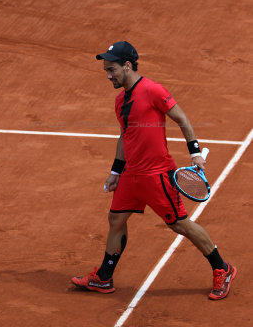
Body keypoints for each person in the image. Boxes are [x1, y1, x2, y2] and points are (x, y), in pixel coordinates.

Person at [71, 41, 237, 300]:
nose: (108, 75)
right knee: (116, 220)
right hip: (131, 176)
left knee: (180, 225)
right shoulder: (120, 101)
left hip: (157, 175)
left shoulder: (152, 90)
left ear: (127, 66)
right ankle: (104, 278)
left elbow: (182, 119)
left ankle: (222, 268)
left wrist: (195, 152)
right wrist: (116, 172)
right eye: (106, 70)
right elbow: (124, 136)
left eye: (112, 69)